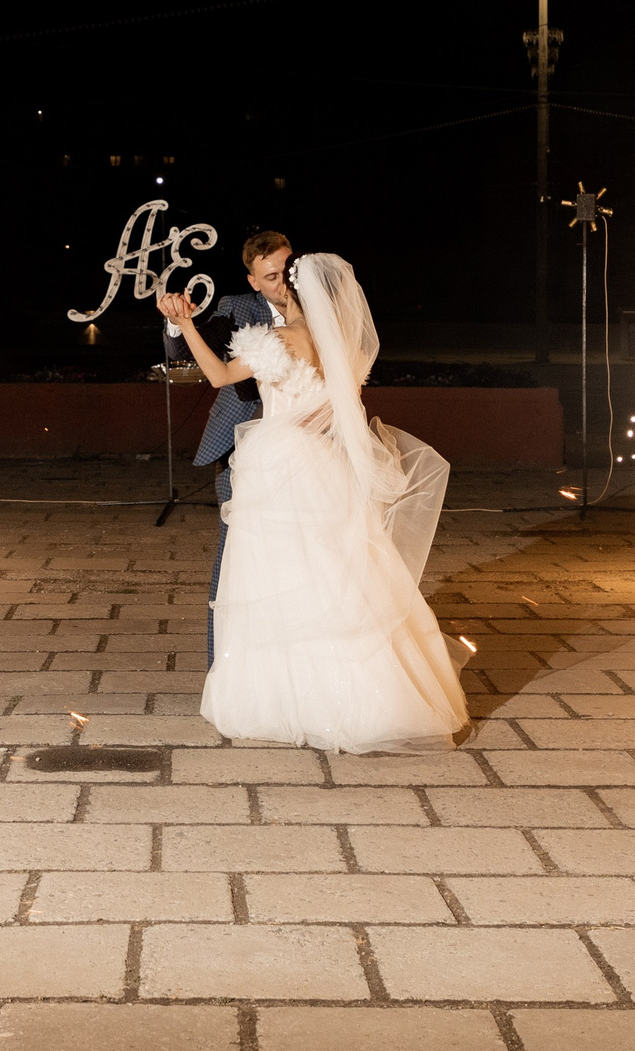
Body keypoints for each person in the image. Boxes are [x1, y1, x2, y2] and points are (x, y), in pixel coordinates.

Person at [158, 252, 469, 753]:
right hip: (320, 463)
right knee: (331, 571)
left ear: (292, 290)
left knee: (274, 574)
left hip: (278, 463)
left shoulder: (280, 338)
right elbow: (338, 403)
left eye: (283, 280)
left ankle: (285, 697)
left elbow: (218, 376)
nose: (278, 287)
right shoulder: (339, 344)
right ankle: (367, 695)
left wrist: (189, 326)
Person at [165, 230, 293, 654]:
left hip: (303, 454)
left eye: (287, 271)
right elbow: (196, 346)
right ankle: (224, 661)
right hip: (241, 450)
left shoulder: (323, 313)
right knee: (237, 553)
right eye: (270, 277)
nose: (282, 283)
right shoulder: (237, 307)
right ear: (253, 280)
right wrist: (178, 322)